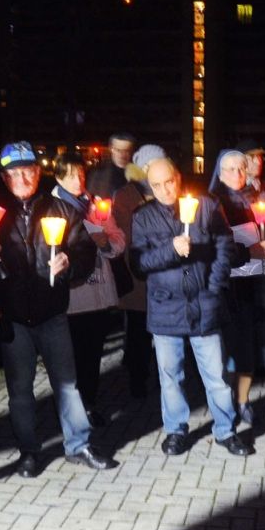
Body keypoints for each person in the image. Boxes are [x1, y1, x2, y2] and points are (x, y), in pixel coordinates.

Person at [0, 141, 119, 477]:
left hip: (53, 314)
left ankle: (79, 445)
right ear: (5, 178)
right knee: (20, 391)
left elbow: (86, 254)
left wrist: (70, 261)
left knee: (67, 385)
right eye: (14, 173)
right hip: (14, 319)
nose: (23, 178)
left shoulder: (63, 211)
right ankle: (29, 452)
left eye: (29, 170)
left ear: (38, 172)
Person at [130, 158, 255, 457]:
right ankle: (176, 430)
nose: (164, 190)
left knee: (216, 374)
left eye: (168, 182)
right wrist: (170, 250)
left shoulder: (206, 206)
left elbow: (225, 246)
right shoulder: (143, 217)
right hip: (164, 308)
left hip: (204, 304)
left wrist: (214, 288)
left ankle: (225, 430)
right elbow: (138, 264)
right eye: (156, 185)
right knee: (170, 376)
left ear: (178, 177)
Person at [52, 153, 126, 426]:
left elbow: (118, 240)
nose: (78, 180)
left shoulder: (96, 205)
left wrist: (104, 241)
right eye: (70, 175)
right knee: (69, 358)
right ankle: (70, 412)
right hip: (70, 297)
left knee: (92, 355)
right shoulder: (51, 207)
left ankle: (90, 405)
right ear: (59, 177)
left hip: (96, 294)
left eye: (81, 174)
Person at [208, 150, 265, 424]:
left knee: (247, 348)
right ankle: (224, 403)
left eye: (242, 169)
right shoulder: (212, 203)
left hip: (252, 286)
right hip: (223, 287)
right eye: (230, 169)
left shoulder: (258, 200)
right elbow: (214, 247)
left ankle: (243, 400)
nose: (237, 175)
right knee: (225, 351)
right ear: (219, 172)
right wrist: (250, 252)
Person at [113, 144, 167, 398]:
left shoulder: (166, 190)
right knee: (137, 331)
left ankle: (160, 378)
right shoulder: (125, 196)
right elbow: (128, 235)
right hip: (138, 275)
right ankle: (138, 381)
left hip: (164, 273)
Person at [87, 132, 135, 198]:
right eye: (118, 150)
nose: (122, 154)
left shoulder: (139, 175)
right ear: (111, 149)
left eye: (126, 151)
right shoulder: (97, 174)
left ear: (131, 151)